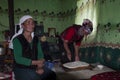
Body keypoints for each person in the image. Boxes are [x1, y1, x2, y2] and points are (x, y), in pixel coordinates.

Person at [12, 15, 56, 80]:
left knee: (52, 75)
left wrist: (39, 67)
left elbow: (40, 54)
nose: (31, 25)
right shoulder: (17, 40)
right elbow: (18, 59)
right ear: (22, 26)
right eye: (28, 23)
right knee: (35, 77)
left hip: (35, 66)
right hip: (21, 68)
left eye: (32, 23)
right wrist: (37, 62)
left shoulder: (35, 39)